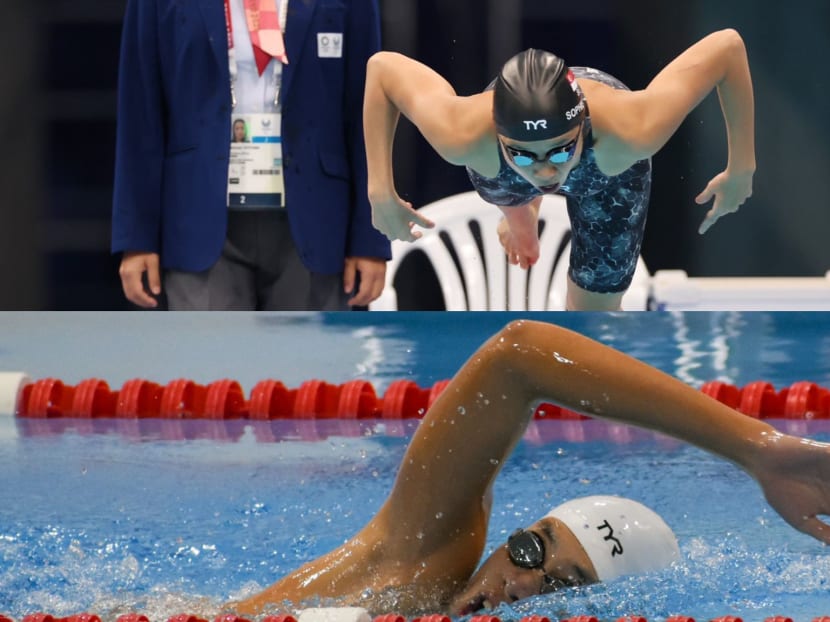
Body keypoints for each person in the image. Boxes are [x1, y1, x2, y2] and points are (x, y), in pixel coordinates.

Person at [229, 319, 830, 616]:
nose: (519, 583)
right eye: (528, 549)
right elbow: (520, 357)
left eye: (560, 586)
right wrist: (757, 447)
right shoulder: (413, 575)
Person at [363, 30, 755, 310]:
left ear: (582, 125)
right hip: (502, 159)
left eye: (561, 150)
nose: (547, 171)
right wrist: (380, 191)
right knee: (499, 180)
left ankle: (525, 196)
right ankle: (521, 216)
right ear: (500, 135)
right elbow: (382, 69)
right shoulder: (464, 132)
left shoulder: (631, 130)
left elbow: (727, 48)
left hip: (603, 173)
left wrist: (741, 167)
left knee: (594, 319)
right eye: (524, 155)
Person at [112, 0, 391, 311]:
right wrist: (137, 237)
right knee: (211, 360)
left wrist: (370, 235)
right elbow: (141, 109)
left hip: (317, 214)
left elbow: (366, 108)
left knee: (307, 360)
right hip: (197, 213)